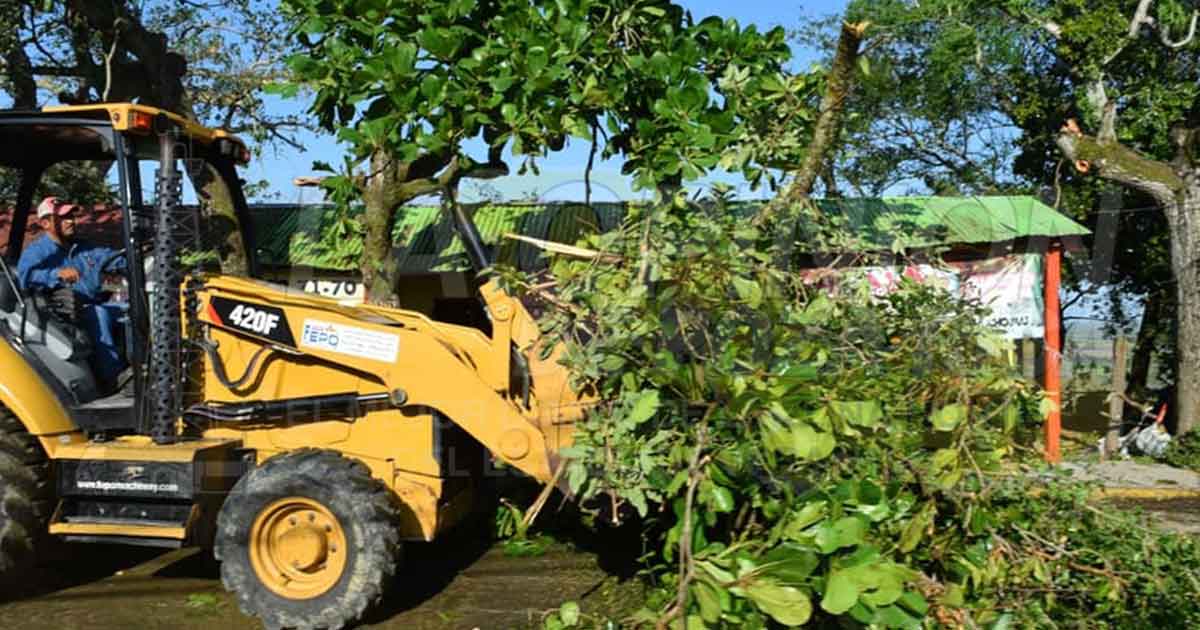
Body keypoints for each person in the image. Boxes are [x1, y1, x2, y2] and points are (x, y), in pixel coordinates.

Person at [17, 196, 128, 389]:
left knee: (132, 310)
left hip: (93, 304)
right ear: (45, 223)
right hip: (63, 313)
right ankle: (113, 377)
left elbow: (111, 258)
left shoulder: (84, 248)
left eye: (71, 217)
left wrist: (134, 256)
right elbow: (24, 277)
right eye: (63, 218)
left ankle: (140, 367)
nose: (71, 221)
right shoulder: (37, 252)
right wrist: (56, 274)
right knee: (98, 314)